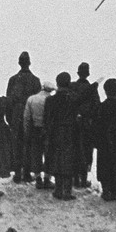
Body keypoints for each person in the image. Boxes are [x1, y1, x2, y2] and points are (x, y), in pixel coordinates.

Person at [6, 52, 41, 183]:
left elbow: (9, 101)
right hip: (30, 115)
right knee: (28, 143)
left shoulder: (13, 80)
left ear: (19, 63)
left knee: (16, 144)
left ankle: (16, 172)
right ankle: (26, 173)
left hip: (16, 114)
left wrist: (9, 118)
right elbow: (37, 101)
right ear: (29, 63)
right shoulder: (35, 80)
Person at [44, 71, 79, 201]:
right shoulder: (73, 98)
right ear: (68, 83)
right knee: (68, 161)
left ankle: (58, 190)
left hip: (55, 131)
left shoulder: (50, 99)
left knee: (57, 159)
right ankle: (67, 191)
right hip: (69, 132)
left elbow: (47, 119)